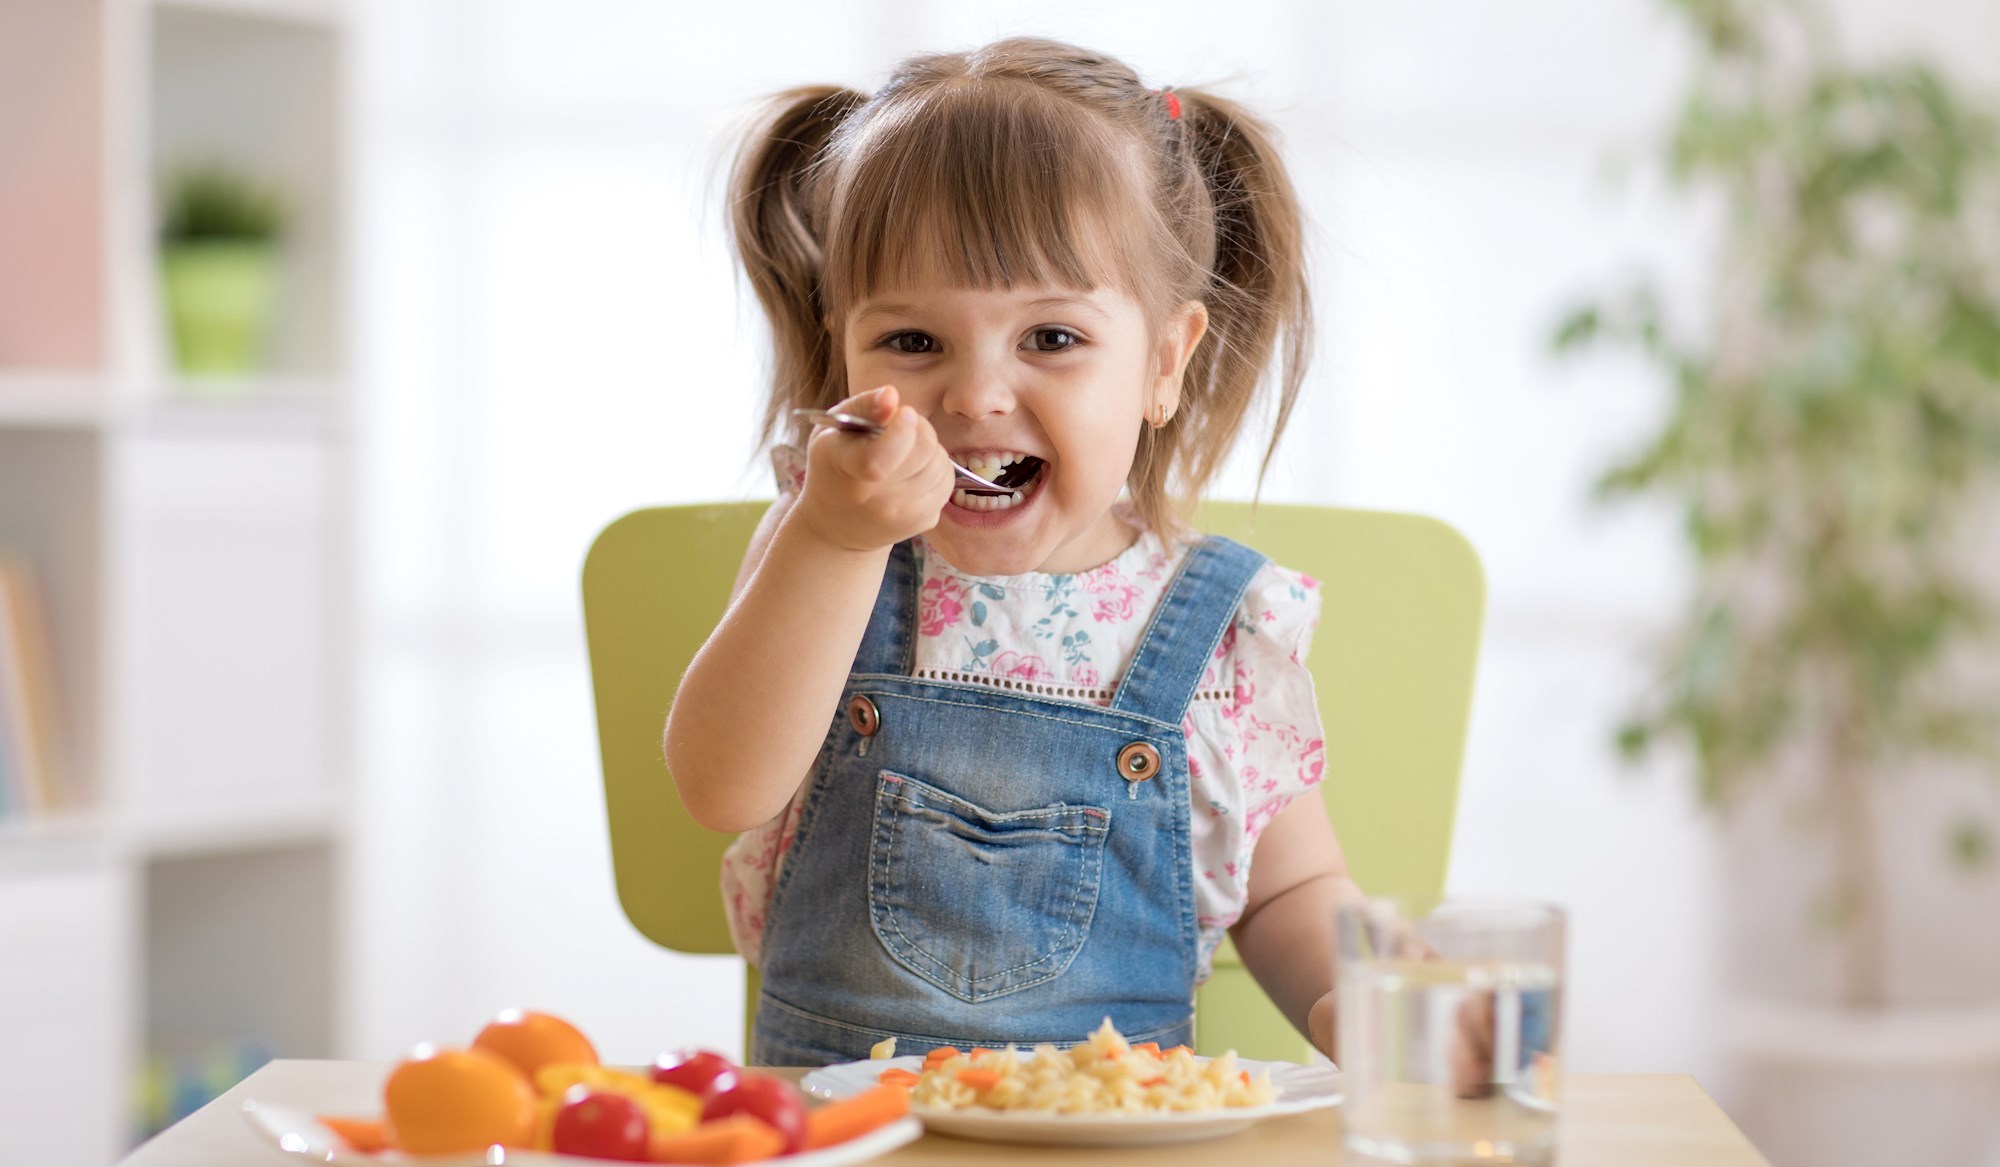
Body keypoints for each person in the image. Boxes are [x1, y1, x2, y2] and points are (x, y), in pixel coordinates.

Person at [664, 37, 1357, 1068]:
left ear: (1163, 362)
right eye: (911, 342)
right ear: (842, 343)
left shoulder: (1218, 628)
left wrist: (1360, 1007)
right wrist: (833, 536)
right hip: (847, 1133)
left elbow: (1293, 889)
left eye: (1050, 339)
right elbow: (721, 788)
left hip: (1108, 1138)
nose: (975, 395)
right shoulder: (828, 553)